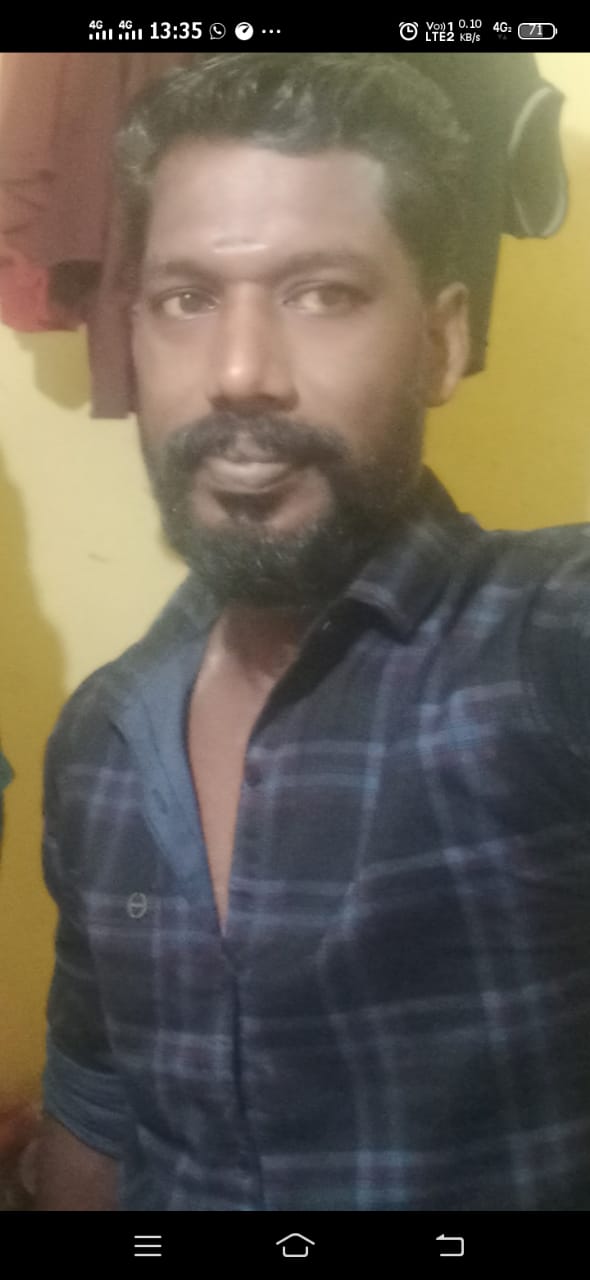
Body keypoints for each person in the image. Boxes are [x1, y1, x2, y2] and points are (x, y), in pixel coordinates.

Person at [36, 54, 590, 1212]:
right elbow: (93, 1113)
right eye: (186, 299)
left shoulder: (541, 643)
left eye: (322, 292)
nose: (239, 373)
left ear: (440, 341)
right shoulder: (97, 737)